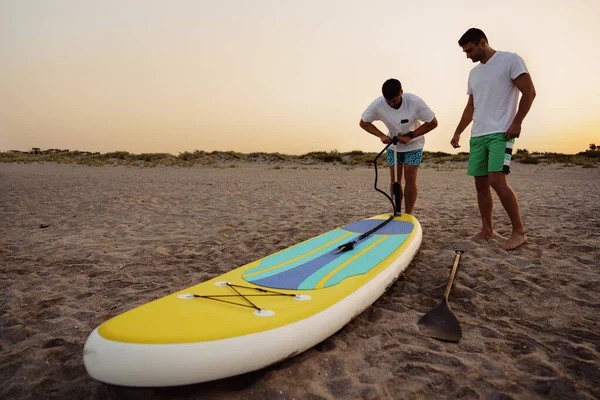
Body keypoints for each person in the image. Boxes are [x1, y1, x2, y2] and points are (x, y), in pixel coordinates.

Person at [451, 28, 536, 250]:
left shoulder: (510, 60)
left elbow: (529, 92)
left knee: (496, 181)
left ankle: (519, 231)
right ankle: (487, 229)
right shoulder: (474, 74)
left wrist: (517, 121)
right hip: (478, 134)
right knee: (480, 184)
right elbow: (471, 106)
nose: (467, 56)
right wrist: (459, 131)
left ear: (482, 42)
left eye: (469, 50)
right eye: (464, 52)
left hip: (501, 132)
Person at [360, 78, 438, 215]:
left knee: (410, 178)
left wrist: (411, 135)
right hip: (393, 145)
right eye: (388, 102)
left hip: (414, 144)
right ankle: (397, 211)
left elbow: (433, 122)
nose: (391, 105)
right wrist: (381, 135)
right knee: (395, 179)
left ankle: (408, 214)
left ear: (401, 92)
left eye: (394, 101)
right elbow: (364, 123)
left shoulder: (414, 102)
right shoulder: (378, 104)